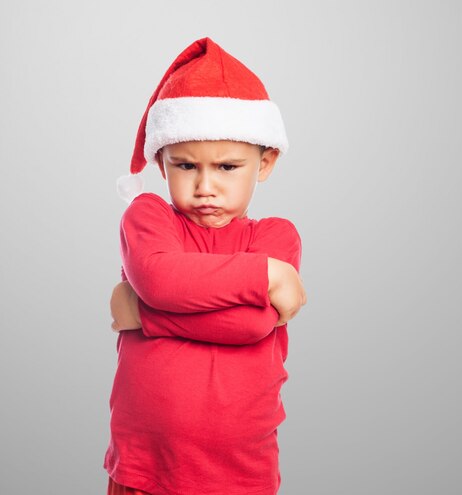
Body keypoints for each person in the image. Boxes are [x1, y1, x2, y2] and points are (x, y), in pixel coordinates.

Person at [103, 37, 307, 495]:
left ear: (266, 162)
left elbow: (250, 325)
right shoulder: (150, 216)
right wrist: (265, 275)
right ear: (161, 162)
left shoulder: (274, 236)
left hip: (240, 469)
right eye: (185, 165)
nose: (205, 187)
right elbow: (158, 277)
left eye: (228, 167)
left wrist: (144, 314)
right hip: (144, 466)